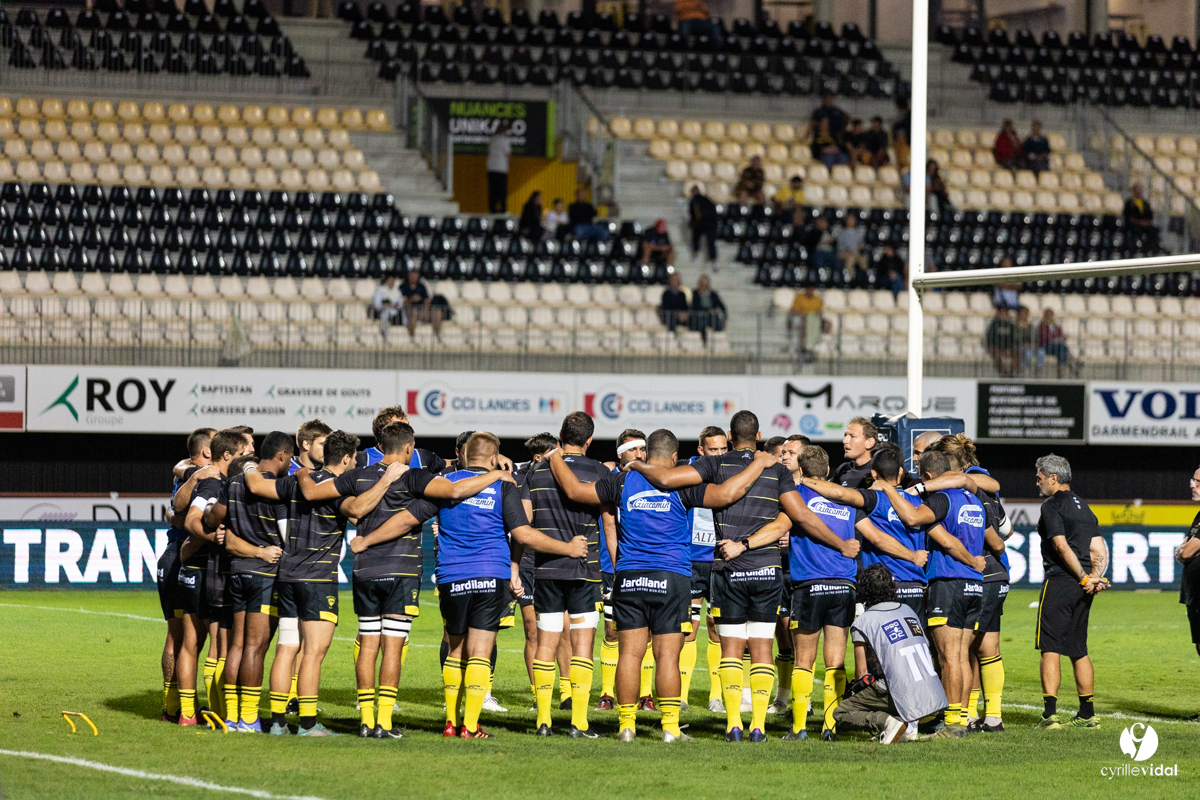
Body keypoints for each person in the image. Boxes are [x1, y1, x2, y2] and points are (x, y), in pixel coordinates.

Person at [627, 410, 860, 743]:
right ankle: (760, 727)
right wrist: (840, 544)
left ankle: (734, 724)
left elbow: (666, 480)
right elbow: (801, 516)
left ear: (730, 438)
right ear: (760, 435)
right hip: (766, 569)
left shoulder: (714, 465)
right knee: (763, 649)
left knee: (731, 649)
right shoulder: (777, 470)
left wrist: (637, 464)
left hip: (728, 568)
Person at [548, 429, 777, 741]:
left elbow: (575, 491)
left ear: (645, 454)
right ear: (673, 457)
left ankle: (626, 727)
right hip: (671, 577)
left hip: (629, 577)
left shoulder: (622, 481)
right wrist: (758, 465)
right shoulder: (684, 485)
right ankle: (670, 729)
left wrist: (554, 456)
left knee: (629, 654)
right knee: (667, 656)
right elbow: (727, 494)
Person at [434, 432, 588, 739]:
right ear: (494, 458)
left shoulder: (443, 484)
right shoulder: (503, 485)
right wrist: (567, 548)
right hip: (491, 574)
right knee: (480, 650)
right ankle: (471, 726)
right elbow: (523, 534)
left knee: (455, 649)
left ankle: (451, 722)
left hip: (451, 576)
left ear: (464, 454)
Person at [789, 445, 928, 742]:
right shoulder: (855, 504)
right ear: (827, 471)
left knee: (804, 659)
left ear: (802, 471)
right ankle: (830, 726)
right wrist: (914, 555)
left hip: (810, 583)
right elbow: (873, 534)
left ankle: (800, 727)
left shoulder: (797, 495)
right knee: (836, 661)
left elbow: (786, 524)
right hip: (844, 585)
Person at [524, 412, 614, 739]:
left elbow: (525, 524)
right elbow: (608, 523)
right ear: (589, 440)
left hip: (546, 568)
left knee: (545, 644)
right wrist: (615, 569)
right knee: (582, 647)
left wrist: (516, 565)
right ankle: (579, 723)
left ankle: (543, 721)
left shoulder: (535, 471)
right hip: (585, 571)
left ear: (561, 434)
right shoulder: (601, 472)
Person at [207, 432, 293, 733]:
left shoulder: (232, 483)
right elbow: (287, 536)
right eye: (289, 459)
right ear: (281, 456)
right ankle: (249, 717)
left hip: (237, 570)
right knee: (256, 648)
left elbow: (213, 519)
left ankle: (231, 717)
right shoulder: (276, 487)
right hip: (264, 574)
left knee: (237, 646)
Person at [834, 564, 947, 743]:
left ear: (863, 591)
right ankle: (909, 726)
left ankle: (889, 722)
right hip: (930, 692)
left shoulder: (863, 622)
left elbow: (862, 674)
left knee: (841, 712)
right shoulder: (909, 611)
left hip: (900, 691)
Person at [1035, 454, 1108, 730]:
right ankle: (1087, 714)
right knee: (1079, 649)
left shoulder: (1052, 506)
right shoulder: (1085, 507)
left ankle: (1050, 715)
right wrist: (1094, 579)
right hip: (1083, 588)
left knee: (1050, 646)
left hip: (1061, 581)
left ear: (1053, 478)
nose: (1037, 482)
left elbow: (1060, 546)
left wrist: (1081, 577)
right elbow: (1098, 549)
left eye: (1040, 477)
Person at [158, 428, 216, 724]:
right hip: (185, 555)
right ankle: (181, 708)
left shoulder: (188, 470)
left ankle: (177, 708)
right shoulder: (199, 474)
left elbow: (175, 512)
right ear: (207, 451)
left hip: (178, 553)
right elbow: (180, 515)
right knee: (192, 637)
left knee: (183, 637)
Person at [595, 430, 649, 711]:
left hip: (646, 567)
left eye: (643, 449)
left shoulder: (653, 478)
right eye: (633, 450)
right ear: (620, 455)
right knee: (613, 630)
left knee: (648, 631)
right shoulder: (611, 483)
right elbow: (608, 527)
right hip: (614, 566)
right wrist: (618, 567)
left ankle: (646, 695)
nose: (639, 455)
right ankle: (607, 694)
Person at [684, 426, 729, 713]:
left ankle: (716, 696)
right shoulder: (685, 472)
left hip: (721, 558)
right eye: (714, 450)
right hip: (690, 559)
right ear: (701, 451)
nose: (720, 455)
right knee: (687, 627)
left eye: (724, 449)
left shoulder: (734, 473)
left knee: (717, 627)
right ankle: (682, 695)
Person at [1177, 465, 1200, 721]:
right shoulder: (1198, 515)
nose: (1192, 485)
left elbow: (1185, 551)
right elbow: (1186, 549)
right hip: (1195, 591)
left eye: (1196, 481)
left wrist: (1183, 551)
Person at [833, 416, 877, 488]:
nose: (845, 441)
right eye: (845, 436)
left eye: (852, 436)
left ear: (869, 442)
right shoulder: (842, 470)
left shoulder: (878, 472)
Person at [400, 269, 442, 337]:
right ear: (409, 276)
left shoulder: (421, 286)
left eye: (415, 275)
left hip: (421, 310)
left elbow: (427, 299)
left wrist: (423, 301)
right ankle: (411, 337)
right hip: (408, 311)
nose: (414, 277)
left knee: (437, 312)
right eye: (412, 275)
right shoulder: (403, 286)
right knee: (414, 311)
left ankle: (436, 336)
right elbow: (401, 302)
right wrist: (411, 299)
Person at [687, 185, 719, 267]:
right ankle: (714, 260)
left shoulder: (695, 200)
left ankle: (696, 254)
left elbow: (696, 213)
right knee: (711, 242)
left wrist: (694, 223)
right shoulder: (707, 199)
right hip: (711, 224)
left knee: (696, 237)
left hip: (702, 223)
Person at [1037, 309, 1075, 378]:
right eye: (1048, 315)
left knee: (1062, 350)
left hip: (1057, 347)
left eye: (1051, 315)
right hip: (1046, 346)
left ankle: (1061, 373)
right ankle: (1072, 363)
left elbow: (1062, 335)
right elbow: (1044, 337)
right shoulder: (1042, 326)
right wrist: (1055, 338)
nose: (1049, 317)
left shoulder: (1056, 326)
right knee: (1063, 348)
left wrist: (1063, 337)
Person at [788, 286, 824, 358]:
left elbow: (820, 312)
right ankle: (803, 347)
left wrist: (814, 315)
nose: (810, 291)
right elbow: (794, 312)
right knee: (804, 323)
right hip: (799, 319)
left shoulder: (817, 299)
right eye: (809, 289)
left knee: (826, 324)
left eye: (812, 290)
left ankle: (815, 346)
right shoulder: (799, 298)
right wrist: (804, 314)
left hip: (813, 320)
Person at [985, 307, 1018, 378]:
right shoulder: (993, 325)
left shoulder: (1011, 325)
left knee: (1017, 354)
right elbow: (990, 339)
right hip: (996, 348)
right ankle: (1003, 373)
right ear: (998, 314)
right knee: (998, 356)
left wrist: (1008, 349)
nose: (1004, 315)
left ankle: (1011, 373)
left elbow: (1014, 339)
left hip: (1008, 348)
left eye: (1005, 313)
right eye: (1002, 313)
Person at [486, 121, 511, 214]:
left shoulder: (492, 139)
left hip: (491, 168)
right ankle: (502, 209)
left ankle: (492, 209)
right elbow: (508, 154)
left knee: (493, 191)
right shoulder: (505, 140)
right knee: (502, 191)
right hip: (501, 169)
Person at [1015, 306, 1035, 374]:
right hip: (1018, 346)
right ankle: (1021, 372)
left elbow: (1034, 338)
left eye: (1026, 313)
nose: (1025, 315)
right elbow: (1015, 338)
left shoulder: (1030, 326)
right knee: (1022, 352)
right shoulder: (1015, 325)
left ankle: (1033, 372)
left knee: (1032, 353)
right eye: (1023, 313)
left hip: (1029, 347)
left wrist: (1031, 344)